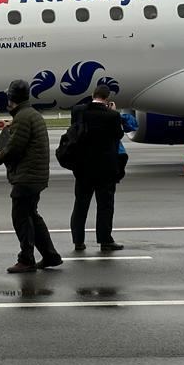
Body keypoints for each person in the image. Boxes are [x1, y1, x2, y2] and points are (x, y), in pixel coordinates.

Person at [0, 80, 63, 273]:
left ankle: (26, 259)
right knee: (31, 215)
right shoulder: (31, 114)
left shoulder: (23, 117)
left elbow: (15, 148)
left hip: (27, 177)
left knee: (20, 217)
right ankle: (50, 256)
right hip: (36, 175)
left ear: (12, 98)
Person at [69, 85, 125, 251]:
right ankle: (105, 240)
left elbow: (74, 129)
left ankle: (78, 241)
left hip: (83, 167)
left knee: (80, 204)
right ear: (107, 99)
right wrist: (113, 112)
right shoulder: (112, 115)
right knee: (105, 205)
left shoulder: (78, 111)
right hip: (105, 168)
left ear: (92, 95)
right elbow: (118, 135)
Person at [108, 101, 139, 183]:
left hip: (115, 154)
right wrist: (114, 114)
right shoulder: (115, 118)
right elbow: (132, 126)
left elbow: (132, 126)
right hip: (114, 154)